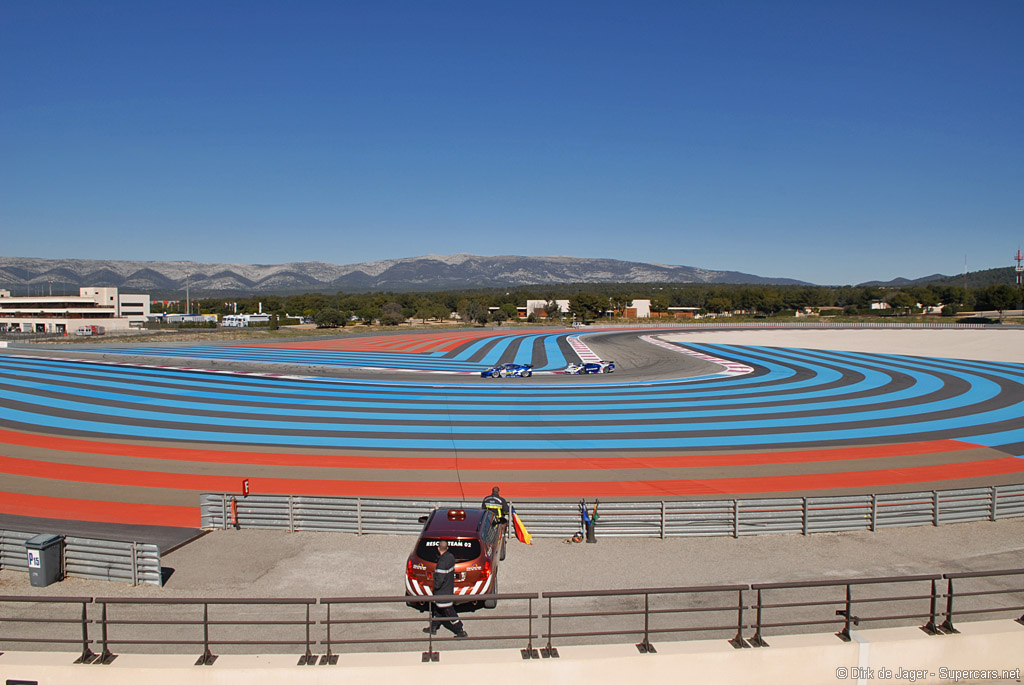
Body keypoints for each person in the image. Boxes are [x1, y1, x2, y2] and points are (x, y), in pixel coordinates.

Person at [424, 540, 468, 638]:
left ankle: (459, 629)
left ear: (438, 549)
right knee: (437, 610)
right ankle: (433, 626)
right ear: (447, 548)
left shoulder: (442, 563)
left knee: (449, 612)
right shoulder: (451, 558)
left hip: (442, 592)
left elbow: (439, 580)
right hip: (448, 589)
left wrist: (435, 587)